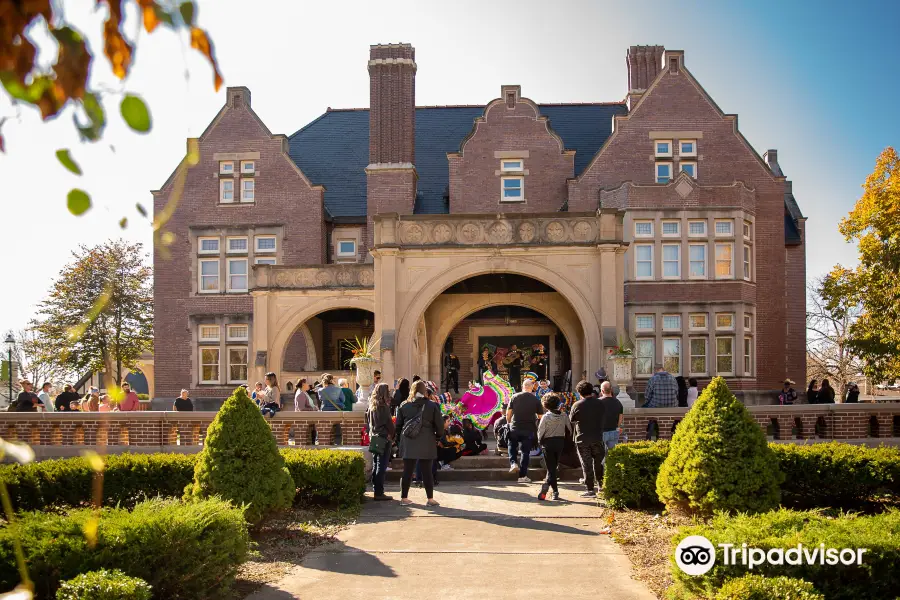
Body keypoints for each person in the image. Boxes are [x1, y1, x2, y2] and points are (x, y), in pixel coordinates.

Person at [395, 380, 444, 506]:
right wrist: (437, 437)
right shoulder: (432, 406)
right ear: (424, 391)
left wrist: (399, 441)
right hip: (427, 441)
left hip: (408, 441)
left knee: (407, 471)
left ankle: (404, 498)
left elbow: (398, 426)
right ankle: (430, 499)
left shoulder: (404, 405)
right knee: (427, 471)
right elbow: (439, 426)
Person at [569, 380, 607, 498]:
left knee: (586, 464)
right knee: (598, 463)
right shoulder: (600, 403)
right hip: (597, 436)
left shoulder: (577, 405)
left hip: (582, 438)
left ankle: (590, 489)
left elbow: (572, 419)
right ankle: (601, 486)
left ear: (580, 392)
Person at [506, 377, 543, 483]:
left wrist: (509, 423)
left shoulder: (514, 397)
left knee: (511, 445)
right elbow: (541, 416)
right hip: (529, 429)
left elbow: (509, 413)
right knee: (525, 452)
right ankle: (522, 476)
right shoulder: (536, 400)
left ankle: (513, 463)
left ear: (523, 387)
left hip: (515, 427)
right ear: (531, 388)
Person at [537, 392, 572, 501]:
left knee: (551, 468)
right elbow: (569, 430)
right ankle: (554, 492)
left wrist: (539, 442)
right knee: (553, 467)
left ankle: (549, 490)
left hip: (548, 443)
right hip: (560, 442)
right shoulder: (564, 415)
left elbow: (540, 432)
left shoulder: (546, 417)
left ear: (545, 405)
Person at [366, 382, 395, 501]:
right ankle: (379, 492)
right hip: (383, 437)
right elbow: (389, 424)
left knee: (376, 464)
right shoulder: (383, 407)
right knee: (381, 466)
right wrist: (392, 435)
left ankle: (376, 490)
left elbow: (367, 422)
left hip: (374, 437)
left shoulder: (371, 406)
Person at [597, 381, 624, 480]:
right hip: (613, 431)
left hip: (601, 432)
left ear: (602, 390)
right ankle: (612, 477)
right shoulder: (617, 402)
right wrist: (617, 427)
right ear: (611, 390)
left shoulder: (598, 402)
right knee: (612, 456)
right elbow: (620, 418)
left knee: (599, 456)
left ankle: (602, 478)